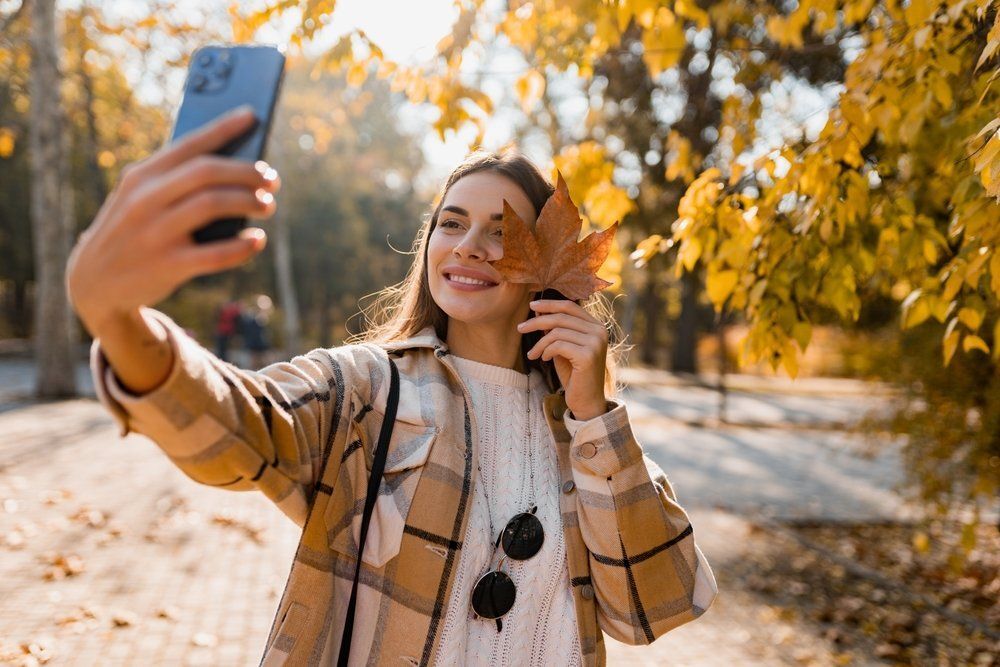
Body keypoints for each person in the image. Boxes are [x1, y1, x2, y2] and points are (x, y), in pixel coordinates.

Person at [65, 108, 717, 666]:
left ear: (547, 265)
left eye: (502, 231)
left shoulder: (586, 430)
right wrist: (118, 322)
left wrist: (594, 416)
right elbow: (237, 427)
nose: (469, 246)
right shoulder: (367, 388)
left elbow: (652, 606)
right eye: (451, 223)